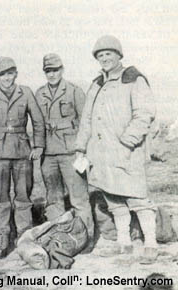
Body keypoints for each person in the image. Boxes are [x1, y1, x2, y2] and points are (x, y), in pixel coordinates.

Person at [75, 35, 157, 264]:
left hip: (127, 151)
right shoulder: (96, 84)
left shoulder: (133, 78)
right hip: (101, 153)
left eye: (108, 54)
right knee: (113, 199)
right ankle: (124, 242)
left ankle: (151, 243)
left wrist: (128, 141)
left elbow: (145, 113)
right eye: (100, 56)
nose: (104, 59)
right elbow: (87, 119)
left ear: (119, 55)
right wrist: (81, 147)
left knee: (137, 197)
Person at [0, 57, 45, 258]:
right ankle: (3, 237)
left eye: (10, 73)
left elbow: (38, 121)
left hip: (22, 150)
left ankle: (24, 236)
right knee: (0, 198)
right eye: (2, 74)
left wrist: (39, 145)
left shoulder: (25, 93)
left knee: (23, 195)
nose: (6, 77)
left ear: (16, 73)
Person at [34, 53, 94, 246]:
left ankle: (86, 238)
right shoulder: (39, 93)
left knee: (79, 198)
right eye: (48, 71)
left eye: (55, 70)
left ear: (62, 69)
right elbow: (37, 123)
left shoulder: (74, 91)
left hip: (70, 152)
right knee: (54, 199)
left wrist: (82, 149)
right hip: (49, 154)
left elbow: (86, 122)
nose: (52, 74)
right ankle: (60, 239)